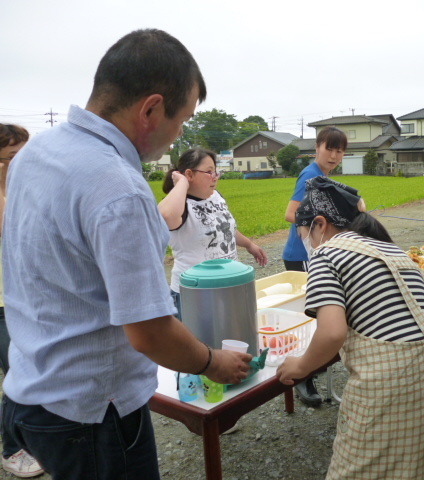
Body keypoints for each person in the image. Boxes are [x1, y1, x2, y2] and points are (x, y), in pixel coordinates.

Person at [1, 29, 252, 480]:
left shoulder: (35, 153)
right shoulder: (118, 188)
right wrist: (212, 362)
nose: (179, 135)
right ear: (151, 109)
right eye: (182, 121)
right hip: (94, 412)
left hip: (29, 392)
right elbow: (150, 331)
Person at [277, 177, 424, 479]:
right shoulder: (391, 249)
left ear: (319, 225)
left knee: (360, 467)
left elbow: (332, 333)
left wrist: (300, 367)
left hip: (391, 378)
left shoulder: (327, 253)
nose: (306, 242)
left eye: (303, 233)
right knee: (417, 463)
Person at [158, 147, 267, 318]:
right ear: (189, 174)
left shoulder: (215, 196)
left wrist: (249, 244)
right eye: (209, 172)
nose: (215, 177)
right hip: (195, 294)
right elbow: (165, 216)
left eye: (216, 172)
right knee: (201, 344)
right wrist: (182, 184)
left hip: (227, 285)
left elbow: (225, 229)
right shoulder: (181, 205)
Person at [282, 126, 347, 407]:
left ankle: (308, 367)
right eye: (329, 148)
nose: (334, 155)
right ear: (317, 147)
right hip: (303, 254)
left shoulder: (323, 175)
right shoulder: (310, 175)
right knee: (311, 317)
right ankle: (303, 376)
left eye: (339, 150)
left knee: (316, 313)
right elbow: (290, 213)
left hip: (313, 254)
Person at [0, 124, 44, 478]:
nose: (23, 163)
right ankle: (12, 448)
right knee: (18, 373)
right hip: (2, 304)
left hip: (24, 298)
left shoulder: (29, 189)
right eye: (13, 157)